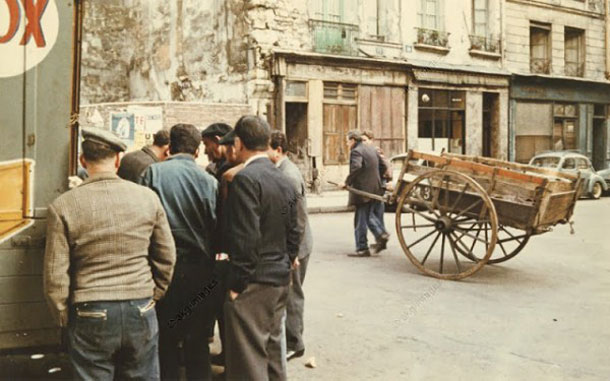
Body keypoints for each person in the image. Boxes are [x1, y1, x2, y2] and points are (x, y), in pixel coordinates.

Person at [43, 127, 176, 380]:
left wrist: (62, 313)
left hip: (89, 309)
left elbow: (55, 273)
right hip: (140, 304)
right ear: (117, 160)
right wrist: (155, 293)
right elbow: (166, 255)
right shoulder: (147, 198)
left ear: (83, 160)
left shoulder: (62, 206)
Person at [223, 116, 302, 381]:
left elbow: (246, 238)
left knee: (248, 359)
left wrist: (236, 285)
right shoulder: (283, 178)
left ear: (238, 143)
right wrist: (289, 260)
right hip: (279, 278)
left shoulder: (246, 179)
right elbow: (295, 229)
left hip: (255, 281)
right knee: (271, 350)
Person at [140, 124, 219, 380]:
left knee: (165, 341)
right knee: (197, 342)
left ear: (169, 147)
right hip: (200, 272)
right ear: (197, 151)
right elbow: (218, 228)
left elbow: (142, 223)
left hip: (163, 271)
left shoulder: (152, 173)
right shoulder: (209, 181)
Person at [268, 131, 313, 361]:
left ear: (277, 150)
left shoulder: (289, 175)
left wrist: (292, 252)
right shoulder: (281, 172)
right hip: (292, 244)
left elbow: (299, 218)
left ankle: (295, 343)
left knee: (293, 294)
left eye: (266, 148)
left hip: (297, 246)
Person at [343, 130, 390, 257]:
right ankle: (380, 234)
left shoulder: (356, 151)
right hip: (375, 187)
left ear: (353, 140)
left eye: (347, 141)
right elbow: (383, 166)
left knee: (360, 219)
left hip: (363, 190)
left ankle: (363, 247)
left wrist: (347, 182)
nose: (347, 144)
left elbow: (356, 167)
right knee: (367, 215)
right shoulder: (372, 149)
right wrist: (375, 179)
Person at [361, 130, 393, 241]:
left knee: (371, 213)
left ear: (371, 140)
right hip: (378, 184)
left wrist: (381, 178)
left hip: (378, 184)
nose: (363, 143)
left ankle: (381, 234)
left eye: (365, 140)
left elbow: (385, 165)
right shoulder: (370, 151)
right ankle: (382, 236)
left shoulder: (375, 151)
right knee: (377, 212)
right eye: (361, 141)